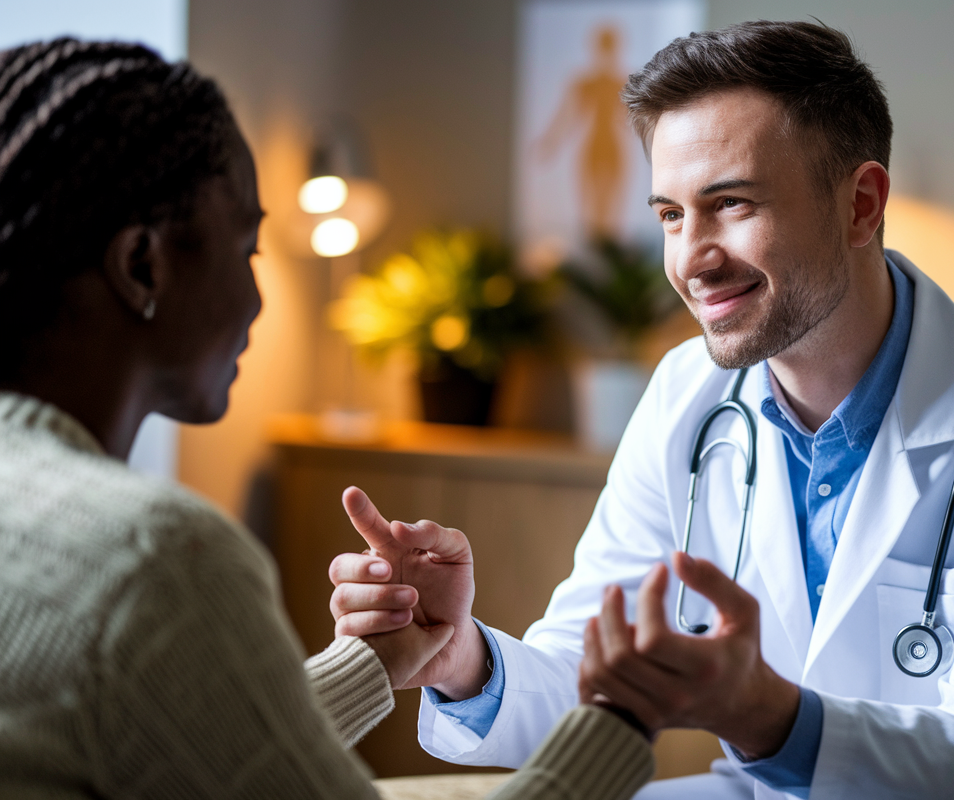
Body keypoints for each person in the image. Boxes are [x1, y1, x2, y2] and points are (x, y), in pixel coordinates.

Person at [331, 20, 954, 800]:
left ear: (861, 205)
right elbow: (586, 673)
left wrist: (762, 714)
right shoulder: (689, 393)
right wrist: (459, 659)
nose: (691, 260)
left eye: (732, 204)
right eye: (670, 215)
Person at [0, 38, 652, 800]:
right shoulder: (151, 555)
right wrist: (621, 714)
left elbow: (183, 736)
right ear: (142, 264)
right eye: (246, 248)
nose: (257, 299)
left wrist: (377, 662)